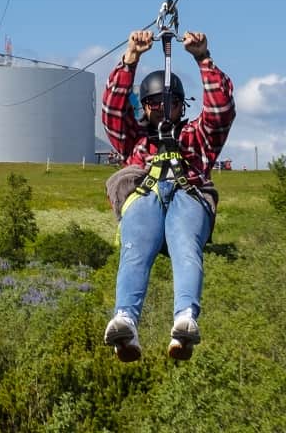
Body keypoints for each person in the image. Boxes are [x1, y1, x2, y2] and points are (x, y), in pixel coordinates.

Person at [101, 30, 235, 361]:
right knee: (134, 250)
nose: (163, 110)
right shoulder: (134, 140)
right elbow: (112, 111)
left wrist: (203, 58)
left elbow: (220, 112)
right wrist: (130, 57)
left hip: (188, 197)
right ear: (144, 107)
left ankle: (185, 320)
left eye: (171, 103)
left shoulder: (197, 138)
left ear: (180, 105)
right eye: (155, 104)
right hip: (145, 199)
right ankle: (126, 322)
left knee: (186, 248)